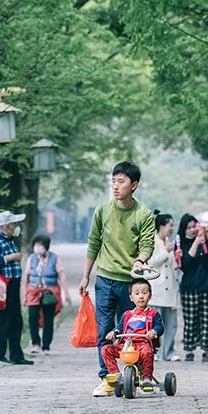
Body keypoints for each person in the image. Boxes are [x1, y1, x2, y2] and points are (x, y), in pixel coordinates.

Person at [78, 161, 155, 397]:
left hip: (130, 283)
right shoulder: (102, 210)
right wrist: (85, 276)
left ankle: (142, 374)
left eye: (121, 181)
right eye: (113, 181)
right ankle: (108, 378)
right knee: (105, 332)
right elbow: (94, 243)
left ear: (134, 186)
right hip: (104, 281)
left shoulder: (143, 214)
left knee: (134, 332)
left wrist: (140, 259)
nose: (115, 186)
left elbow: (147, 243)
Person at [0, 210, 33, 365]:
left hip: (13, 285)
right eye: (13, 224)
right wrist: (11, 257)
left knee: (15, 320)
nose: (16, 226)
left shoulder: (9, 240)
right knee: (3, 320)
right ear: (6, 226)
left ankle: (16, 355)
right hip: (2, 286)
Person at [101, 278, 164, 389]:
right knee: (106, 349)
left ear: (150, 296)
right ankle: (115, 374)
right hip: (127, 345)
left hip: (143, 343)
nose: (141, 296)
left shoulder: (153, 314)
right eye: (137, 293)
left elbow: (160, 327)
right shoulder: (127, 314)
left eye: (144, 293)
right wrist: (113, 333)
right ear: (131, 297)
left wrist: (153, 332)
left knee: (147, 352)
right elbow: (119, 328)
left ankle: (146, 378)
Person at [177, 213, 208, 362]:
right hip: (189, 288)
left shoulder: (206, 241)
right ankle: (189, 349)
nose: (191, 230)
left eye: (193, 227)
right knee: (190, 320)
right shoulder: (181, 244)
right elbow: (186, 264)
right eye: (188, 228)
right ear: (183, 230)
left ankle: (206, 350)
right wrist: (196, 242)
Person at [21, 234, 73, 354]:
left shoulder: (55, 258)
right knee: (32, 317)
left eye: (40, 245)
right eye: (36, 245)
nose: (37, 248)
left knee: (48, 319)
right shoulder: (31, 258)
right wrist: (24, 295)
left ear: (46, 247)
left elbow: (62, 277)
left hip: (49, 292)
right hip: (33, 291)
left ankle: (46, 346)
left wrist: (66, 293)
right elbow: (26, 277)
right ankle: (35, 343)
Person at [147, 211, 181, 361]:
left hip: (170, 288)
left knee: (171, 323)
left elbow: (172, 266)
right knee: (155, 323)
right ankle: (153, 352)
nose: (172, 228)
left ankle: (168, 352)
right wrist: (166, 252)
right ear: (161, 226)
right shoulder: (152, 242)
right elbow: (151, 263)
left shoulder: (169, 242)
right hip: (157, 287)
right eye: (170, 225)